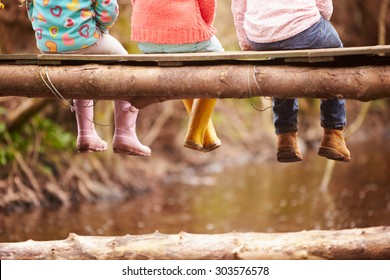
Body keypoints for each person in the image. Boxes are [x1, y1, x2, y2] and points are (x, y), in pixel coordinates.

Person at [24, 0, 151, 157]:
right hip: (85, 39)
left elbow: (30, 7)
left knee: (82, 64)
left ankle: (86, 133)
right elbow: (108, 10)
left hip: (48, 45)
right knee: (127, 64)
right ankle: (125, 134)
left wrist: (46, 32)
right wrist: (101, 31)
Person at [232, 0, 351, 163]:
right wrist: (314, 21)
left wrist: (246, 42)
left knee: (280, 61)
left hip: (260, 35)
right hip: (303, 28)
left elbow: (238, 7)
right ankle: (333, 133)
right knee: (337, 56)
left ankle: (285, 137)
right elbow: (324, 5)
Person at [130, 0, 224, 153]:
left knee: (182, 66)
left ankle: (208, 135)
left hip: (147, 40)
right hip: (184, 33)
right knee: (220, 61)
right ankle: (195, 132)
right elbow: (207, 3)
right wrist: (203, 26)